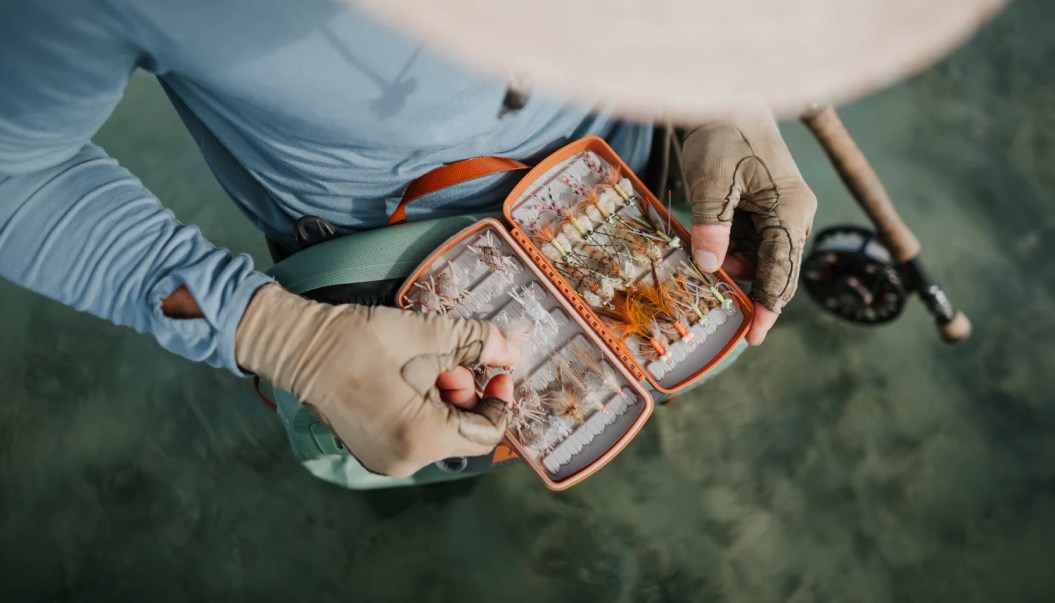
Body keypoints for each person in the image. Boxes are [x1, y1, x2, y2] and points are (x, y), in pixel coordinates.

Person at [5, 0, 914, 480]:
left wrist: (714, 86)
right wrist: (277, 334)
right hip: (373, 282)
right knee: (416, 441)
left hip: (629, 173)